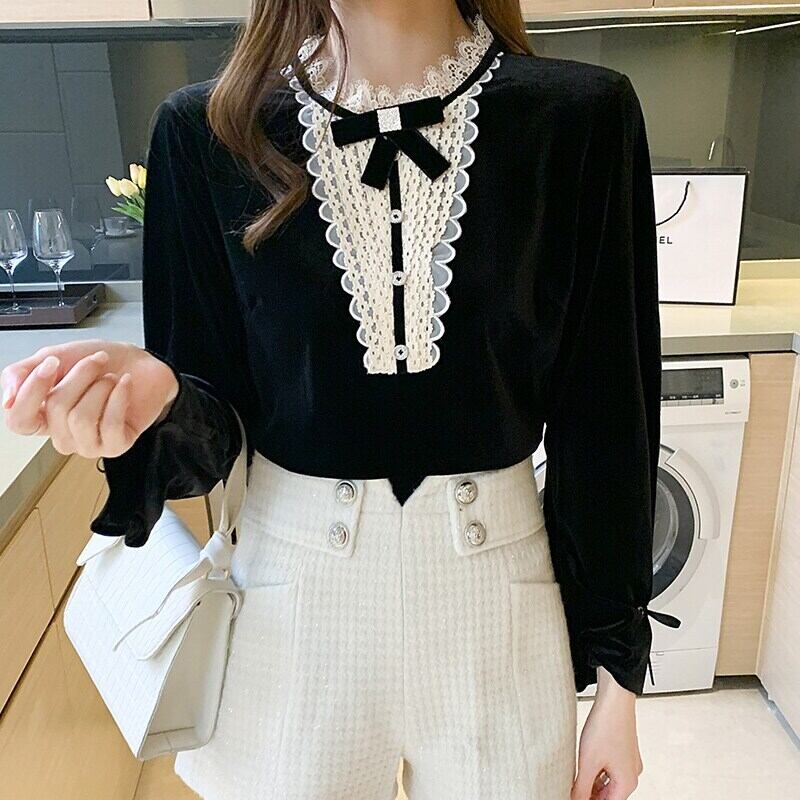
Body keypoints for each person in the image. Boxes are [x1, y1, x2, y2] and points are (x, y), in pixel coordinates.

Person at [1, 1, 680, 798]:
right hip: (291, 606)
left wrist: (618, 681)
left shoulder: (581, 118)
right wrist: (160, 404)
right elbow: (210, 444)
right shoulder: (208, 131)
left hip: (498, 601)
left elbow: (607, 419)